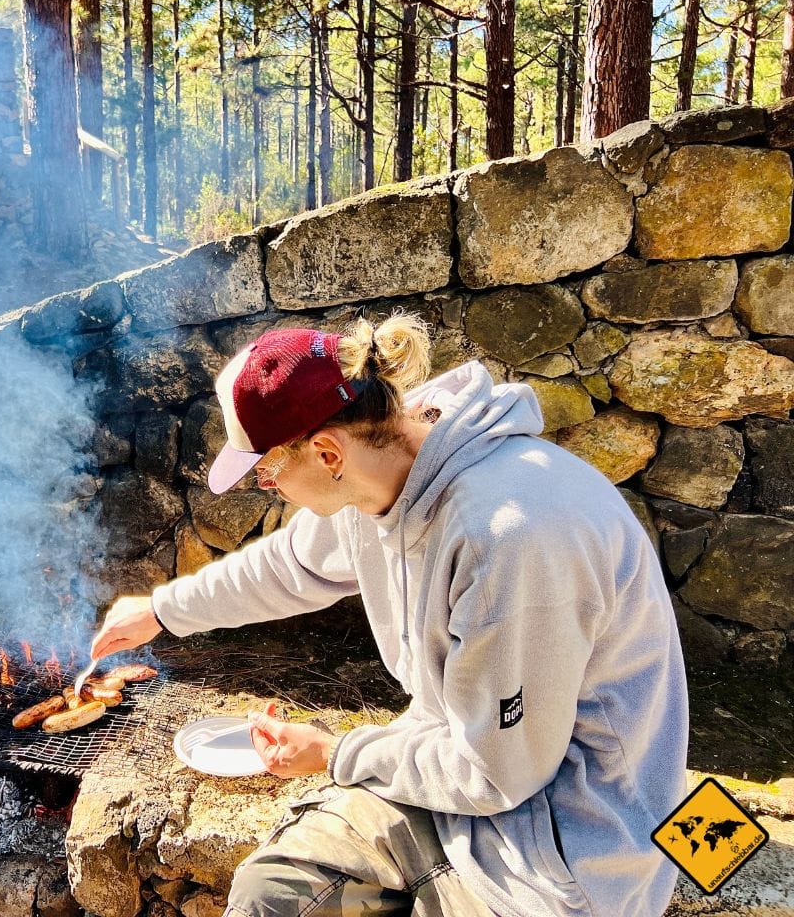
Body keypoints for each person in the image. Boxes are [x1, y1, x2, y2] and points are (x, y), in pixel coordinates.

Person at [88, 313, 689, 917]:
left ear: (326, 452)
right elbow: (288, 566)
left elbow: (498, 773)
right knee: (268, 895)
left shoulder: (506, 538)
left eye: (268, 473)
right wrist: (162, 611)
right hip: (463, 781)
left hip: (571, 841)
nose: (271, 489)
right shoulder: (383, 468)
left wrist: (332, 753)